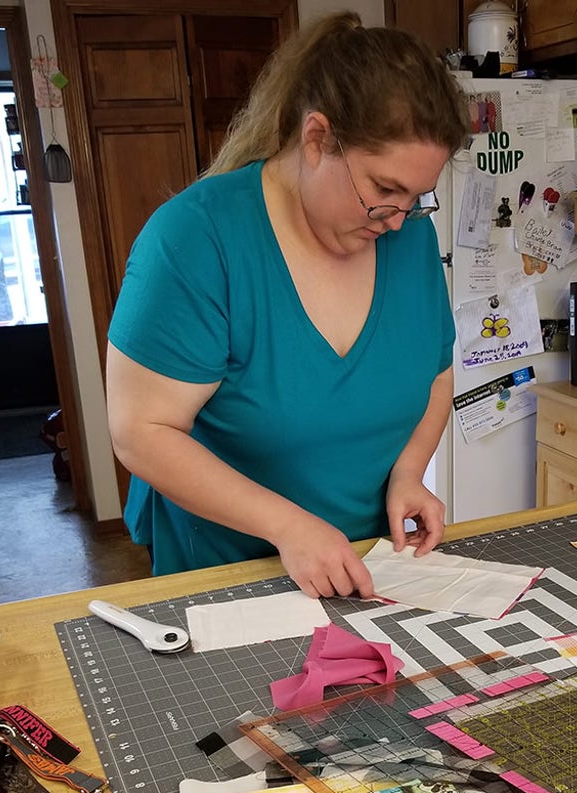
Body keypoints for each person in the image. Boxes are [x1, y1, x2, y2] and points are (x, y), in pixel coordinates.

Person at [106, 13, 466, 598]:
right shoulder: (195, 240)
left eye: (416, 198)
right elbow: (141, 430)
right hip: (228, 573)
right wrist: (288, 527)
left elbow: (436, 379)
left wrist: (408, 473)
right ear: (318, 138)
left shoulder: (409, 239)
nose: (398, 219)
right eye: (383, 190)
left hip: (366, 566)